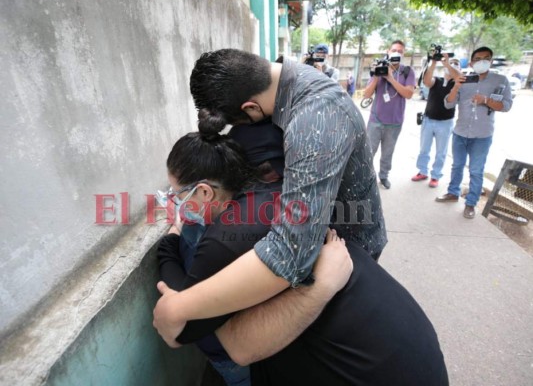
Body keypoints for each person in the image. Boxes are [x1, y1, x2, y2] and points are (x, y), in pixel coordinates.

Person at [157, 121, 449, 385]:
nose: (175, 204)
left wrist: (169, 245)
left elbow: (185, 328)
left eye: (177, 195)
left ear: (206, 192)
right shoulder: (283, 191)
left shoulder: (227, 239)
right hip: (407, 349)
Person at [153, 48, 387, 349]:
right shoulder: (286, 80)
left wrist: (179, 306)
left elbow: (290, 253)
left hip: (347, 250)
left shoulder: (314, 119)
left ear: (251, 108)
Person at [436, 47, 513, 218]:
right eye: (478, 58)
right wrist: (456, 86)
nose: (482, 61)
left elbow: (506, 106)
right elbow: (448, 104)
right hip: (460, 132)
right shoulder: (464, 79)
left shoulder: (501, 80)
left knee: (476, 170)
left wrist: (486, 100)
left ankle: (471, 203)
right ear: (471, 62)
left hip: (482, 135)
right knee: (456, 165)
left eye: (486, 58)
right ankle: (452, 192)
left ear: (491, 61)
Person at [363, 40, 416, 189]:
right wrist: (378, 75)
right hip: (375, 120)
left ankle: (384, 176)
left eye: (400, 51)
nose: (396, 53)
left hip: (394, 122)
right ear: (388, 51)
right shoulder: (379, 68)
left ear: (403, 53)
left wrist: (390, 78)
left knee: (388, 153)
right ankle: (364, 176)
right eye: (394, 50)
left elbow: (409, 93)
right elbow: (366, 95)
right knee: (368, 152)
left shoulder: (407, 71)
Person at [411, 55, 462, 188]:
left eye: (456, 64)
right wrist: (433, 62)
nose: (452, 66)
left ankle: (435, 175)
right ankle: (422, 171)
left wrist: (447, 65)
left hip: (445, 123)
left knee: (441, 152)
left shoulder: (458, 83)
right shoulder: (437, 81)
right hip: (428, 120)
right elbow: (427, 81)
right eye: (452, 63)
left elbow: (458, 77)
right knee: (424, 149)